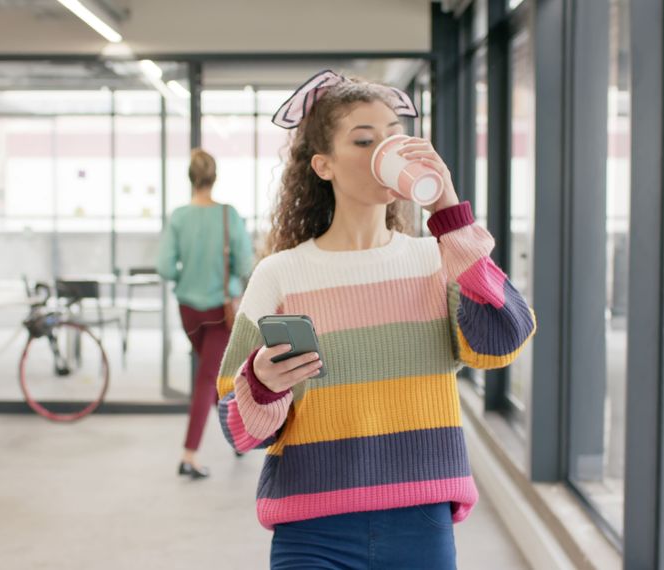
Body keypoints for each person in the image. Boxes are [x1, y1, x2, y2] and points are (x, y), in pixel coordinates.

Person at [214, 70, 537, 569]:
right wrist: (260, 382)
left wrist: (448, 211)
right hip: (311, 532)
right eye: (364, 140)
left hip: (420, 525)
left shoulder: (437, 260)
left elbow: (503, 339)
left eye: (394, 136)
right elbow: (237, 428)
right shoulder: (280, 275)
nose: (387, 151)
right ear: (324, 165)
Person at [157, 148, 254, 480]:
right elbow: (244, 265)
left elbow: (165, 268)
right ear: (215, 178)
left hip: (188, 311)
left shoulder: (178, 217)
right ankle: (189, 454)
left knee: (210, 375)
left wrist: (190, 270)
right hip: (219, 310)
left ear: (190, 179)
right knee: (207, 379)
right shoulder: (228, 215)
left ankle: (237, 439)